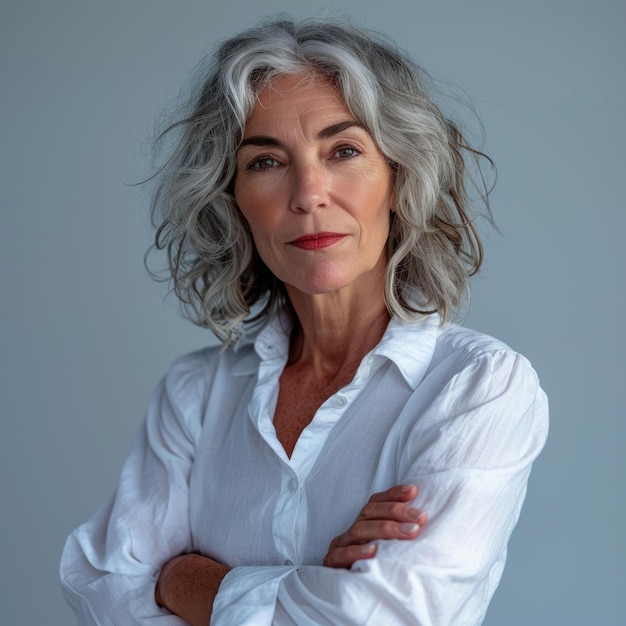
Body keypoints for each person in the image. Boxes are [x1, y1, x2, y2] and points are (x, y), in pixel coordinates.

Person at [60, 16, 548, 626]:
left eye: (344, 151)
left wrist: (181, 578)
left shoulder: (479, 387)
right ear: (232, 198)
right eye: (266, 161)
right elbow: (101, 587)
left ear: (398, 179)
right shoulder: (194, 394)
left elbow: (386, 614)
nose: (308, 192)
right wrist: (311, 580)